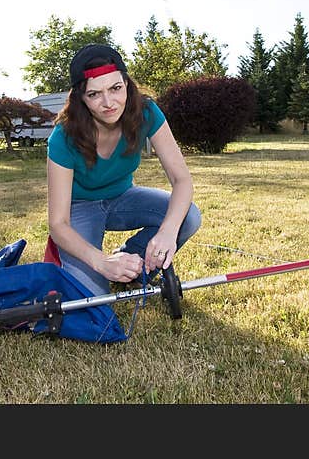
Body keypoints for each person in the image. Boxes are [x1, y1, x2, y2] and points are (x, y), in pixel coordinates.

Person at [46, 43, 202, 296]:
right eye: (94, 94)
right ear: (81, 99)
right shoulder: (63, 137)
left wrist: (167, 232)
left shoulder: (147, 112)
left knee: (188, 216)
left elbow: (182, 180)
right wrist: (101, 262)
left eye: (116, 88)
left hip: (123, 198)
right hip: (80, 208)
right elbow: (58, 224)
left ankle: (132, 268)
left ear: (127, 84)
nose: (108, 102)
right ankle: (108, 269)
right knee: (92, 302)